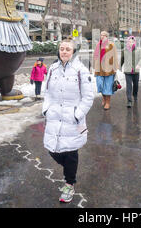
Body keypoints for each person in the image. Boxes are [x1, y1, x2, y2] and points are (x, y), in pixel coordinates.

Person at [42, 39, 94, 203]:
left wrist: (77, 114)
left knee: (71, 152)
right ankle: (69, 172)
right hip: (54, 117)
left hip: (73, 119)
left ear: (73, 52)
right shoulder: (52, 68)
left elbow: (88, 96)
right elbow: (47, 93)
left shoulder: (81, 70)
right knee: (53, 150)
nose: (64, 52)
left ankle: (69, 184)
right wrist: (46, 110)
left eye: (68, 49)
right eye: (62, 49)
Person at [93, 31, 119, 110]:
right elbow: (95, 56)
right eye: (101, 35)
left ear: (107, 37)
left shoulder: (111, 45)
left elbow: (115, 56)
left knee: (108, 86)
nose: (102, 37)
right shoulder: (98, 45)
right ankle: (103, 97)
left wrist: (115, 68)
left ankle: (107, 102)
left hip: (109, 69)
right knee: (100, 85)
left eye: (104, 35)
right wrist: (93, 66)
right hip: (99, 69)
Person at [120, 36, 141, 107]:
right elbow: (122, 59)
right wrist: (119, 66)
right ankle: (129, 100)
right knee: (129, 86)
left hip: (136, 71)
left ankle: (135, 95)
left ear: (134, 42)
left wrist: (139, 65)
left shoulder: (139, 50)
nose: (130, 43)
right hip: (128, 71)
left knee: (136, 85)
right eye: (129, 41)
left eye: (132, 41)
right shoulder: (124, 50)